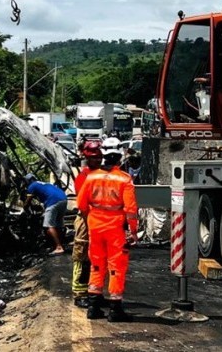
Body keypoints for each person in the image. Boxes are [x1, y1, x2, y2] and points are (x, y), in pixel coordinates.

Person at [77, 137, 138, 322]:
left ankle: (93, 307)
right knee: (116, 267)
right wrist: (133, 231)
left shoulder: (91, 177)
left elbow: (81, 204)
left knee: (96, 265)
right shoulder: (124, 179)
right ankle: (115, 310)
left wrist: (92, 218)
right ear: (120, 157)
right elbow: (131, 209)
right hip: (115, 229)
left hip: (95, 227)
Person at [71, 140, 103, 308]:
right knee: (82, 255)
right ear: (87, 158)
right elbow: (83, 205)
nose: (97, 160)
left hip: (100, 220)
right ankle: (80, 294)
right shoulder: (83, 177)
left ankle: (94, 292)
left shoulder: (102, 175)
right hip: (86, 219)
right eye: (94, 157)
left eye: (99, 157)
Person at [24, 174, 68, 254]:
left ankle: (59, 247)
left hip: (53, 202)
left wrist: (25, 207)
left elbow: (28, 201)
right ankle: (62, 243)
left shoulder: (32, 186)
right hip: (64, 199)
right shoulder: (44, 183)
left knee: (49, 226)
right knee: (58, 224)